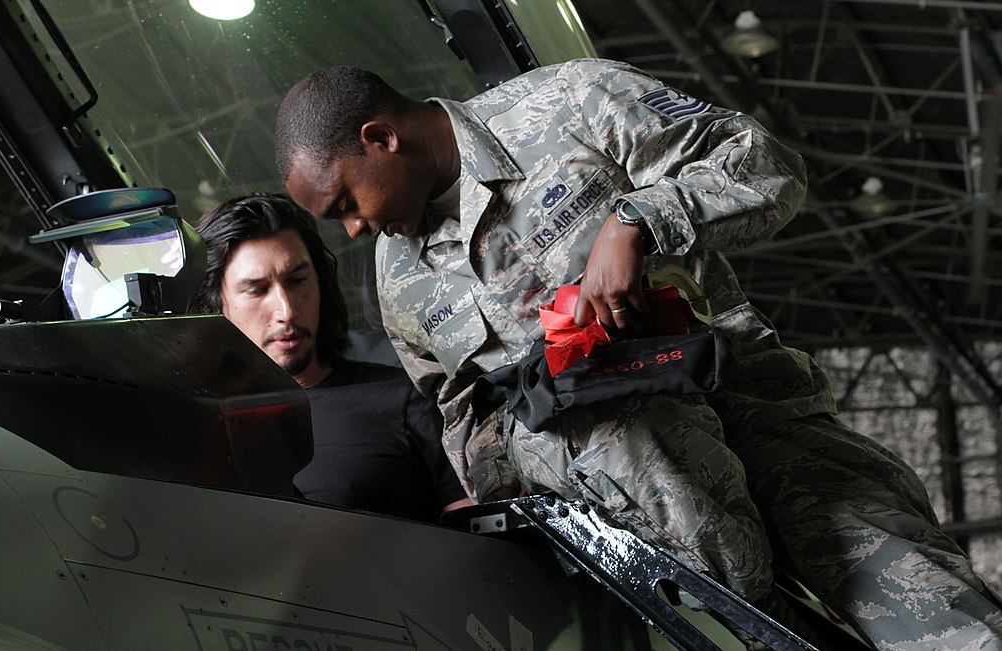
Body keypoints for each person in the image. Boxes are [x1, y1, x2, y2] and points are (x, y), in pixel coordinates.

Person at [274, 58, 1002, 649]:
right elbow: (461, 411)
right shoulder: (399, 273)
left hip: (760, 422)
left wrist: (634, 224)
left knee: (942, 619)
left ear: (380, 137)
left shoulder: (571, 103)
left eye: (344, 203)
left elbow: (764, 166)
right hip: (655, 526)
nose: (354, 230)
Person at [193, 192, 470, 523]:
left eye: (297, 280)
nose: (287, 311)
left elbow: (485, 538)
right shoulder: (201, 431)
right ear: (216, 302)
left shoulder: (404, 398)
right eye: (257, 290)